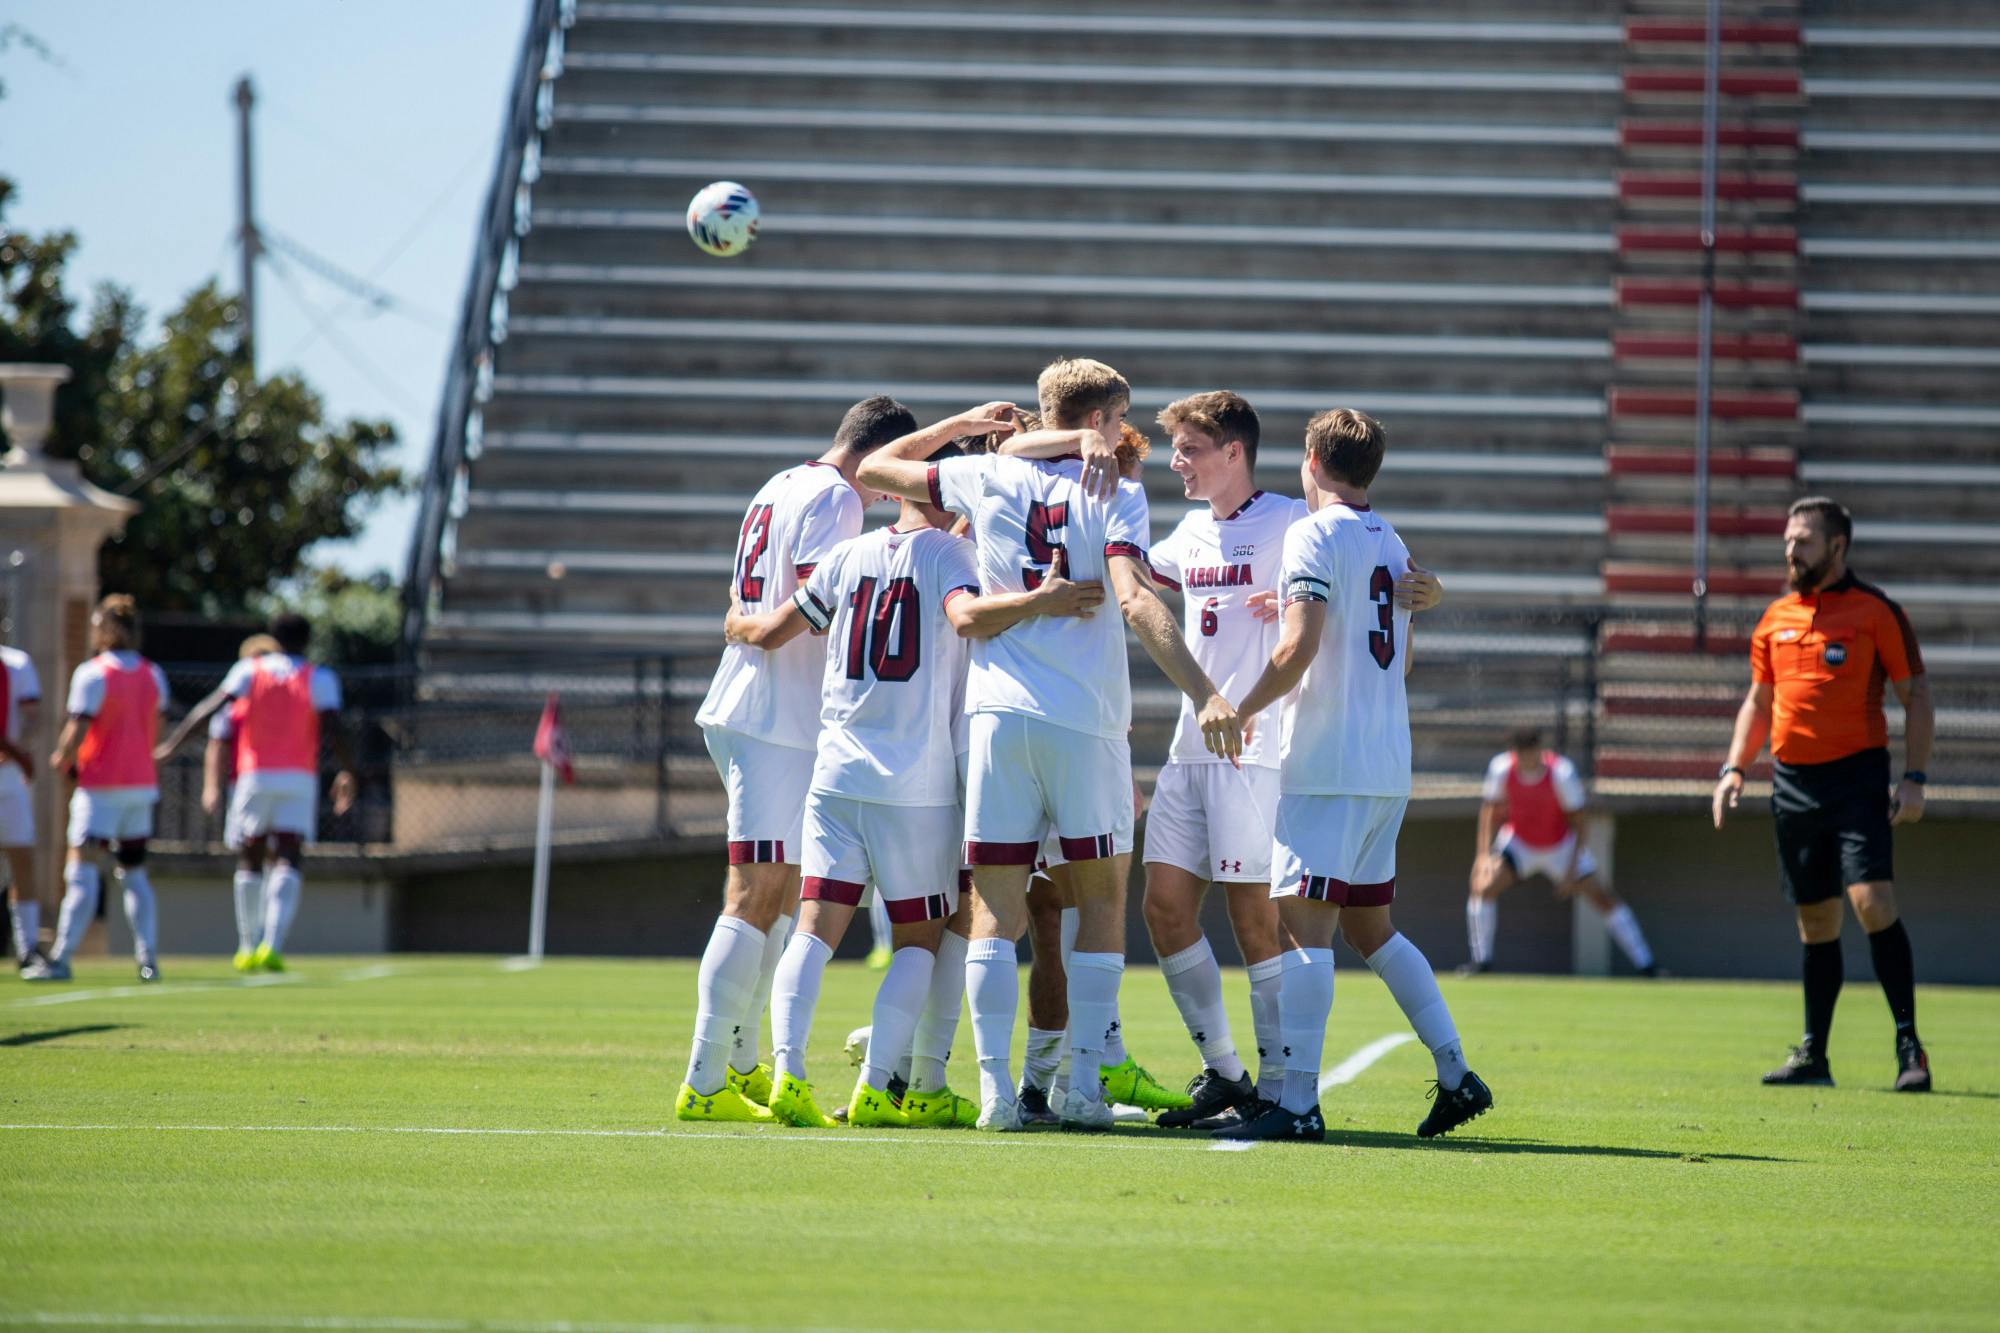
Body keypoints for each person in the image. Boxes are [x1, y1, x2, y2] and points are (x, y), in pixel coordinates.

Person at [859, 359, 1243, 1131]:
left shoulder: (985, 477)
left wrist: (963, 430)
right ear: (1100, 418)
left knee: (995, 914)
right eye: (1116, 419)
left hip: (998, 718)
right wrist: (1206, 692)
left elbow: (874, 468)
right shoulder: (1119, 490)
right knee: (1099, 906)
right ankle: (1084, 1089)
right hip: (1086, 720)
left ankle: (998, 1094)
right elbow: (1135, 600)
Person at [719, 425, 1101, 1129]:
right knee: (924, 937)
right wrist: (1040, 600)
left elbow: (776, 630)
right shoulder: (957, 557)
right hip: (916, 782)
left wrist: (740, 628)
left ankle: (789, 1072)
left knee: (811, 930)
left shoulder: (847, 553)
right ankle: (888, 1082)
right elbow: (964, 618)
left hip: (835, 775)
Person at [1222, 410, 1491, 1141]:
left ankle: (1300, 1103)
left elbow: (1299, 648)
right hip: (1382, 764)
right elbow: (1395, 656)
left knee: (1304, 931)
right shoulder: (1391, 539)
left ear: (1311, 458)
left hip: (1328, 764)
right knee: (1373, 929)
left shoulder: (1314, 533)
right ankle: (1456, 1072)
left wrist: (1237, 708)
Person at [678, 395, 914, 1123]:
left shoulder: (781, 482)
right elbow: (820, 604)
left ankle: (741, 1065)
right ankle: (704, 1078)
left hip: (756, 707)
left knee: (776, 893)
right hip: (775, 717)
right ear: (876, 456)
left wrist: (745, 623)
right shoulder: (837, 499)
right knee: (752, 892)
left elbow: (756, 594)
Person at [1713, 496, 1934, 1092]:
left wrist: (1913, 778)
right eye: (1788, 539)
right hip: (1793, 783)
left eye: (1804, 540)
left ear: (1838, 547)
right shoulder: (1775, 617)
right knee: (1815, 920)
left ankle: (1910, 1045)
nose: (1791, 549)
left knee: (1871, 902)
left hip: (1858, 777)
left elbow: (1916, 697)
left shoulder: (1876, 612)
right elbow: (1759, 703)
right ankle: (1816, 1055)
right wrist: (1734, 768)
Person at [155, 617, 355, 972]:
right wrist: (349, 769)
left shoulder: (249, 670)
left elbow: (211, 706)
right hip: (298, 778)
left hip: (254, 776)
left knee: (250, 856)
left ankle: (247, 945)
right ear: (308, 642)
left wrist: (172, 745)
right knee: (289, 856)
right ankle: (272, 945)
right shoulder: (320, 677)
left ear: (274, 638)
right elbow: (334, 728)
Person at [25, 596, 170, 983]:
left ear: (105, 628)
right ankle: (148, 959)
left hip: (99, 787)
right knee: (134, 875)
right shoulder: (153, 673)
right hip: (140, 787)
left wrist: (61, 757)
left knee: (82, 874)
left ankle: (61, 958)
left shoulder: (92, 673)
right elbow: (157, 730)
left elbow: (78, 727)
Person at [1464, 727, 1657, 977]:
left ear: (1538, 750)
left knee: (1603, 898)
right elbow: (1489, 811)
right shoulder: (1501, 768)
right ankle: (1481, 962)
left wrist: (1569, 871)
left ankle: (1647, 965)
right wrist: (1482, 856)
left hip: (1561, 847)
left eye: (1529, 752)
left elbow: (1580, 823)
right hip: (1519, 843)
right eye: (1519, 753)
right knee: (1482, 887)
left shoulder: (1561, 773)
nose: (1525, 759)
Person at [2, 639, 44, 972]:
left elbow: (31, 718)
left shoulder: (16, 662)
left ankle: (27, 949)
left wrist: (18, 749)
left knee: (22, 860)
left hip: (8, 775)